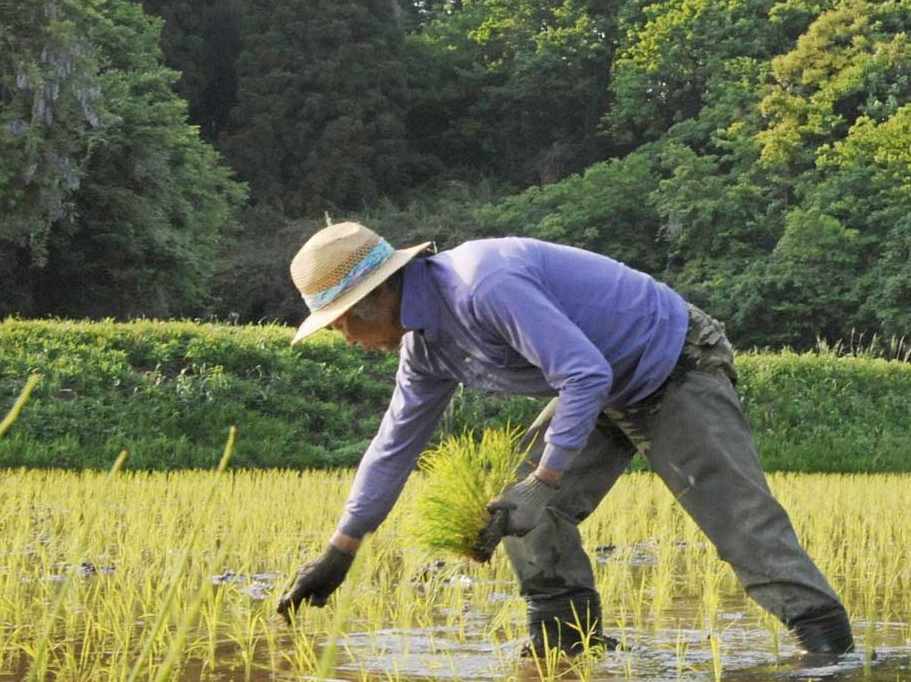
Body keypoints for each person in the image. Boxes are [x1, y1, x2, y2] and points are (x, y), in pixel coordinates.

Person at [272, 221, 855, 657]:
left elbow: (584, 373)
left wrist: (545, 480)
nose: (345, 337)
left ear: (380, 294)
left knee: (738, 520)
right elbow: (393, 445)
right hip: (602, 386)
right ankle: (567, 639)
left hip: (671, 362)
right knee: (518, 509)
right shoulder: (425, 345)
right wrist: (338, 553)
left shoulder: (483, 285)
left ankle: (830, 651)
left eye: (343, 320)